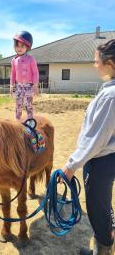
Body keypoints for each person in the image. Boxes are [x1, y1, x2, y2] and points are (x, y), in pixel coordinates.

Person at [61, 39, 115, 255]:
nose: (95, 65)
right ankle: (104, 245)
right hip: (105, 159)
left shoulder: (111, 96)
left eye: (96, 61)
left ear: (109, 62)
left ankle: (103, 250)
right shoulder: (109, 90)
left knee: (96, 208)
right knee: (102, 203)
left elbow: (96, 139)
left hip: (101, 160)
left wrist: (71, 166)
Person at [10, 31, 39, 120]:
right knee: (18, 104)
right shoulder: (14, 60)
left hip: (28, 86)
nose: (19, 48)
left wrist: (35, 86)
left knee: (28, 104)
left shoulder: (31, 59)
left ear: (27, 47)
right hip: (19, 86)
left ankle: (30, 120)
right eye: (17, 45)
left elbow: (35, 73)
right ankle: (17, 119)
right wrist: (11, 85)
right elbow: (13, 73)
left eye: (22, 46)